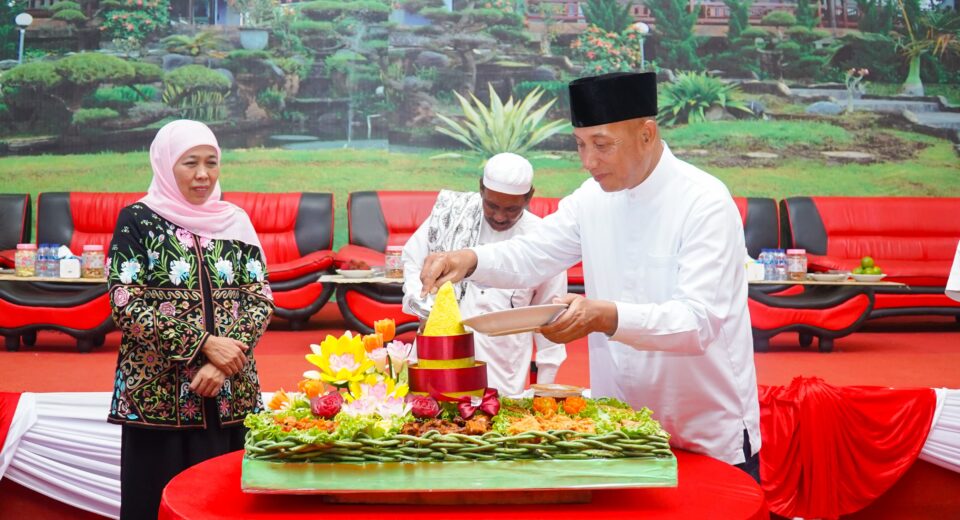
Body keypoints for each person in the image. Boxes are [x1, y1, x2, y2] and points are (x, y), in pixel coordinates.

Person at [417, 72, 761, 481]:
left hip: (703, 428)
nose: (588, 161)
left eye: (602, 145)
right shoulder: (591, 198)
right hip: (620, 430)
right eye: (580, 145)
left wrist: (602, 316)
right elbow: (534, 252)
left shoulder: (704, 202)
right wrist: (470, 259)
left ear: (646, 134)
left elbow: (698, 322)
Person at [107, 120, 274, 518]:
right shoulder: (138, 221)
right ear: (166, 165)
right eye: (190, 163)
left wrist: (221, 361)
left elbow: (260, 297)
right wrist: (202, 345)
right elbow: (125, 300)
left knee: (225, 502)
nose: (203, 174)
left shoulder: (236, 222)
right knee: (154, 503)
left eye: (211, 163)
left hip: (229, 391)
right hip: (157, 396)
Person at [402, 152, 567, 397]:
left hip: (502, 365)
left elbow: (550, 317)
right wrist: (427, 308)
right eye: (492, 205)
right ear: (481, 189)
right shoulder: (453, 216)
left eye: (511, 209)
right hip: (440, 353)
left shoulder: (541, 240)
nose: (500, 216)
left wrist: (546, 388)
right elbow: (413, 259)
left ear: (529, 197)